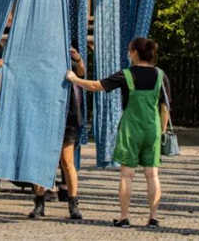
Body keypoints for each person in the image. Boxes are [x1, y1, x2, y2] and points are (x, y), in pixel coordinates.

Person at [66, 37, 170, 229]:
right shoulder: (160, 75)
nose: (129, 54)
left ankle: (124, 217)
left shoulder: (126, 74)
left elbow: (96, 86)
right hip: (152, 129)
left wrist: (74, 79)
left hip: (130, 129)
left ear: (135, 53)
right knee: (152, 175)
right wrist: (161, 131)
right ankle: (153, 218)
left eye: (130, 50)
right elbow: (165, 108)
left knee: (126, 175)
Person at [28, 47, 85, 220]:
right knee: (41, 160)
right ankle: (39, 202)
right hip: (44, 114)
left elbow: (81, 74)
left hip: (68, 116)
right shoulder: (41, 61)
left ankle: (73, 204)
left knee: (67, 161)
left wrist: (78, 59)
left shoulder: (68, 59)